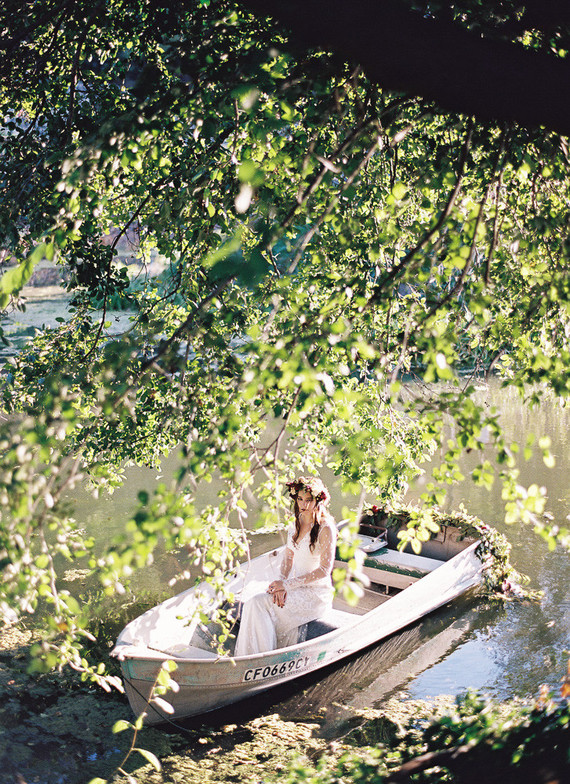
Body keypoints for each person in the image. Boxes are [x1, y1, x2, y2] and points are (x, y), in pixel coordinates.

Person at [234, 476, 337, 657]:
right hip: (294, 586)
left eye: (308, 500)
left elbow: (324, 570)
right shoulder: (295, 523)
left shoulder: (325, 528)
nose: (303, 504)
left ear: (318, 501)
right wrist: (280, 583)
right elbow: (288, 559)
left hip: (315, 595)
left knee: (259, 603)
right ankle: (251, 656)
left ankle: (262, 658)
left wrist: (287, 585)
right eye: (300, 499)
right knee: (253, 602)